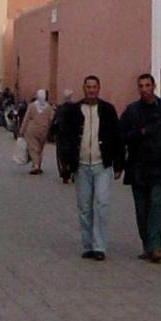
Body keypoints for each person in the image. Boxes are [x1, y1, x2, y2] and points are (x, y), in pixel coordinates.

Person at [119, 73, 161, 263]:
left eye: (148, 85)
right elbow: (121, 135)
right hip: (138, 167)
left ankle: (155, 247)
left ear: (154, 86)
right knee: (142, 210)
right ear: (138, 89)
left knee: (156, 205)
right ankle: (147, 244)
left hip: (159, 167)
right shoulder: (132, 111)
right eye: (141, 86)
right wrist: (139, 134)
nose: (145, 89)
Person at [56, 76, 123, 260]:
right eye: (88, 87)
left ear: (99, 89)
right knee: (85, 206)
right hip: (82, 165)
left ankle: (99, 246)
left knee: (101, 204)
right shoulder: (74, 111)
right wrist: (67, 164)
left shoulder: (107, 110)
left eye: (94, 87)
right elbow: (66, 138)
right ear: (83, 88)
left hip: (102, 164)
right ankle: (88, 244)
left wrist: (118, 164)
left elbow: (117, 137)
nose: (91, 90)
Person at [18, 89, 55, 175]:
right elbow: (51, 119)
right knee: (40, 149)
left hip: (32, 130)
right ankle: (38, 164)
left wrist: (22, 130)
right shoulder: (49, 107)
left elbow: (26, 119)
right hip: (44, 131)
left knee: (33, 148)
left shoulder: (32, 106)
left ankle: (35, 165)